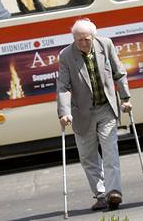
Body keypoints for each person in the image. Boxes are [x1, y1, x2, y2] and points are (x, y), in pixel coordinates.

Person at [56, 19, 132, 210]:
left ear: (94, 36)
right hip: (81, 113)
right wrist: (64, 113)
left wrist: (125, 98)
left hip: (106, 107)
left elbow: (119, 72)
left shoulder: (105, 45)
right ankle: (101, 194)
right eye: (79, 40)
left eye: (86, 39)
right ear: (74, 38)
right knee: (88, 157)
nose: (83, 43)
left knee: (109, 150)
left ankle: (114, 191)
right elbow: (63, 87)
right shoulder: (66, 55)